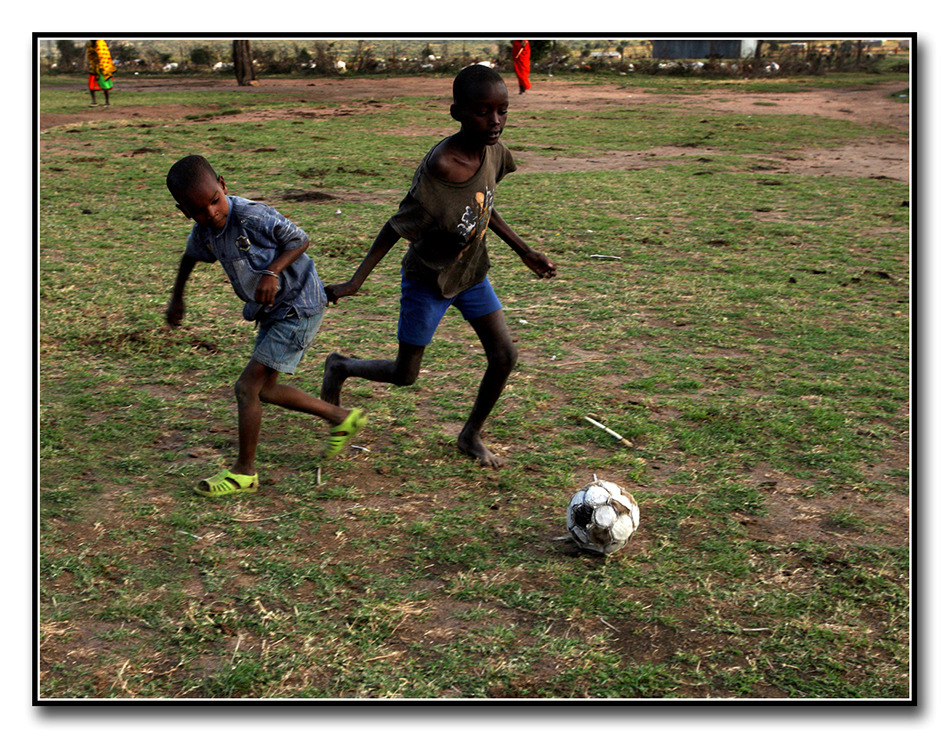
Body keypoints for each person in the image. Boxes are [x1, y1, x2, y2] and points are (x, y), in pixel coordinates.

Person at [321, 64, 556, 469]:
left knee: (504, 356)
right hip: (428, 280)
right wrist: (355, 281)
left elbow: (483, 204)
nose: (495, 121)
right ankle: (340, 366)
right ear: (457, 112)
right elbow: (395, 227)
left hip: (470, 273)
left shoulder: (493, 149)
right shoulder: (441, 169)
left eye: (502, 110)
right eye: (483, 111)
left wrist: (524, 251)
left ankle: (470, 435)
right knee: (405, 374)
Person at [164, 155, 366, 497]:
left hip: (299, 305)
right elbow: (190, 256)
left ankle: (244, 472)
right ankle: (340, 417)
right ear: (183, 210)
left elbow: (300, 240)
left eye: (215, 201)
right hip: (273, 311)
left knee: (247, 388)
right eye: (198, 210)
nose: (211, 213)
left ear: (223, 186)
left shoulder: (252, 215)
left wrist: (272, 271)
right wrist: (177, 298)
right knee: (265, 390)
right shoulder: (205, 231)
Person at [86, 40, 115, 107]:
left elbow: (102, 56)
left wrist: (102, 67)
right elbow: (90, 55)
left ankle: (107, 102)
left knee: (105, 85)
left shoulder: (100, 43)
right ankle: (94, 101)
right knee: (91, 85)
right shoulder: (90, 44)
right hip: (94, 66)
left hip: (103, 67)